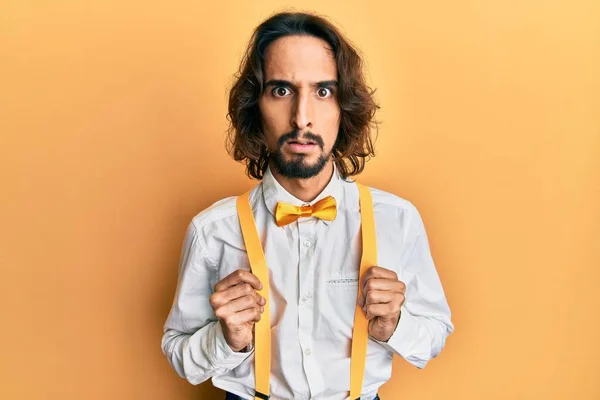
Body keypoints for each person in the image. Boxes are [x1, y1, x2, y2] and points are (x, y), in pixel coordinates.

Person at [161, 11, 453, 400]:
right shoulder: (212, 231)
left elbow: (434, 334)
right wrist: (226, 337)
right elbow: (179, 352)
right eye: (281, 90)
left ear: (343, 108)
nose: (302, 118)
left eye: (323, 91)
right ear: (255, 107)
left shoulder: (396, 220)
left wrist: (394, 325)